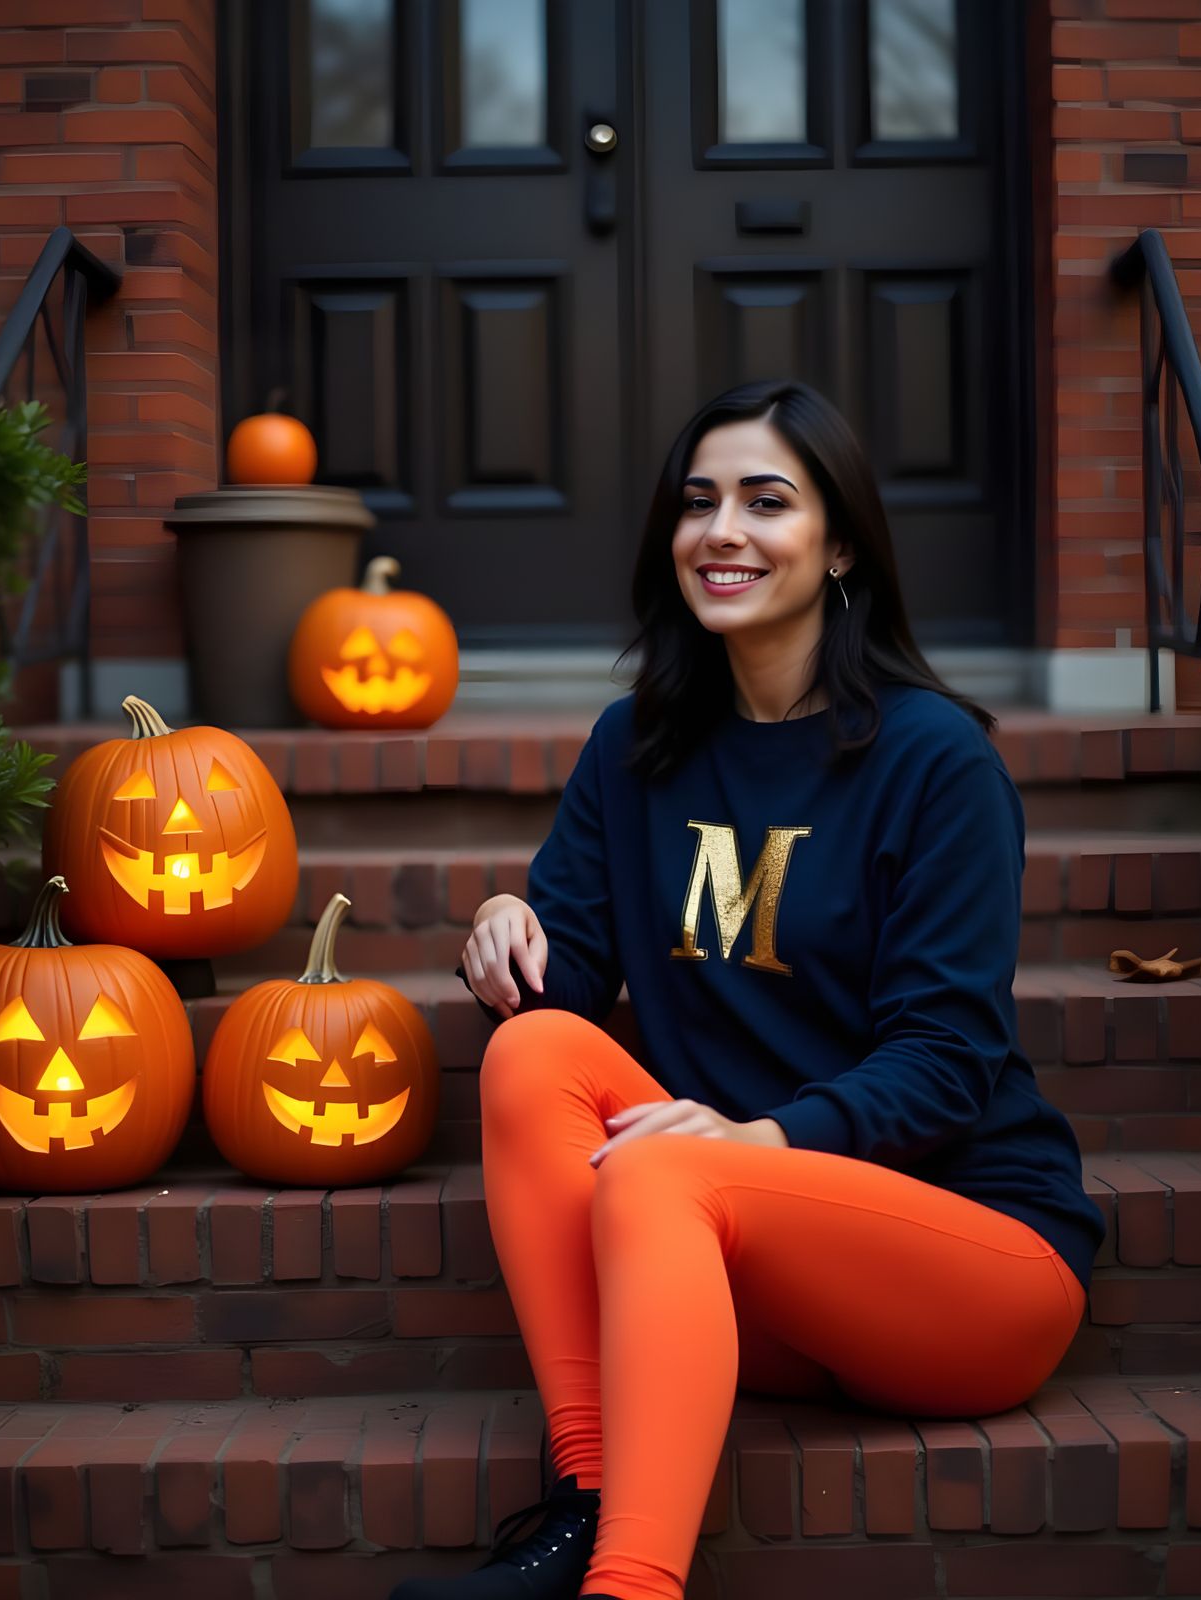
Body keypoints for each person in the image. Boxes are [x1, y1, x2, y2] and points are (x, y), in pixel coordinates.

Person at [388, 379, 1105, 1600]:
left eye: (766, 502)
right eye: (696, 502)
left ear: (838, 548)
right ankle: (589, 1496)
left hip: (962, 1267)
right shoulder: (636, 746)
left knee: (665, 1167)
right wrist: (511, 926)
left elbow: (945, 1058)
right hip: (734, 1274)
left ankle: (631, 1588)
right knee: (533, 1058)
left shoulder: (936, 761)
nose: (721, 530)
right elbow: (563, 986)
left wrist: (759, 1136)